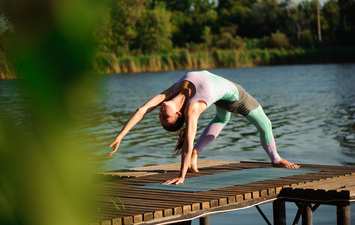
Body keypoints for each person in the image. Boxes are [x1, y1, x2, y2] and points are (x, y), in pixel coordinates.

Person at [108, 70, 300, 185]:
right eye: (164, 116)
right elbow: (187, 143)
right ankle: (276, 159)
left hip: (221, 96)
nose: (160, 112)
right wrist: (181, 176)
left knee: (222, 118)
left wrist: (121, 135)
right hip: (236, 97)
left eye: (160, 116)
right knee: (265, 123)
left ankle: (196, 157)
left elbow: (142, 110)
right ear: (178, 115)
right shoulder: (192, 109)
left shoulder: (171, 92)